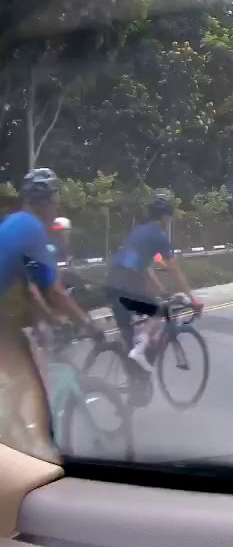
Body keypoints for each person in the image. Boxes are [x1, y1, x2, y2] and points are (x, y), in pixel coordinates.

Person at [0, 168, 101, 458]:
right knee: (31, 378)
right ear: (45, 203)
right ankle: (37, 451)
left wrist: (51, 318)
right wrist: (86, 322)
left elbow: (30, 289)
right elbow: (54, 291)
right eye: (56, 201)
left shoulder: (15, 223)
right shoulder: (32, 229)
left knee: (21, 372)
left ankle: (11, 431)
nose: (58, 207)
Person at [103, 191, 201, 373]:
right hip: (128, 284)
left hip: (112, 283)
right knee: (158, 310)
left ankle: (135, 381)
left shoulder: (138, 231)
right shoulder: (160, 236)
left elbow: (145, 267)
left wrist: (161, 290)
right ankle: (140, 348)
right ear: (165, 218)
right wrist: (193, 299)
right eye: (170, 218)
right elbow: (175, 271)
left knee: (129, 337)